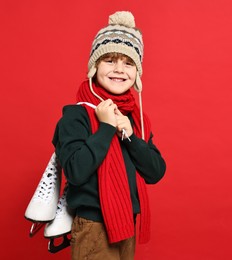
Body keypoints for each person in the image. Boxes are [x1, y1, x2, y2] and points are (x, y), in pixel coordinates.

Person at [52, 11, 166, 260]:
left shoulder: (136, 118)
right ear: (94, 66)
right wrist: (105, 128)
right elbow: (76, 171)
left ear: (137, 73)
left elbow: (155, 171)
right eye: (110, 60)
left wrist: (129, 136)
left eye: (128, 63)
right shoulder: (77, 115)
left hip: (127, 225)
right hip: (94, 227)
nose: (119, 70)